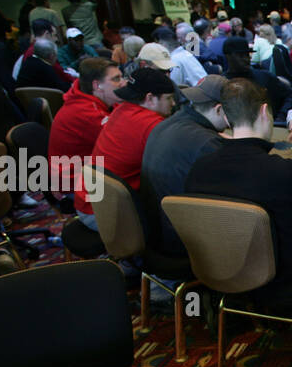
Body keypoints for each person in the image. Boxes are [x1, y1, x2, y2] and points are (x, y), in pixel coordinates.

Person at [183, 78, 292, 306]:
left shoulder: (199, 169)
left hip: (224, 265)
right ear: (265, 112)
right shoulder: (282, 171)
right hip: (288, 268)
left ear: (226, 118)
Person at [141, 73, 229, 255]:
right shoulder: (207, 145)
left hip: (156, 230)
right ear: (219, 110)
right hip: (183, 243)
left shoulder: (166, 124)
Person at [80, 68, 176, 228]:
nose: (173, 104)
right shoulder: (151, 125)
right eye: (169, 98)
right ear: (150, 98)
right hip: (103, 213)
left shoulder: (122, 110)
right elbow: (173, 168)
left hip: (89, 201)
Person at [49, 57, 124, 214]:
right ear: (97, 85)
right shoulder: (86, 113)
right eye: (116, 79)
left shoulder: (90, 96)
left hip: (88, 172)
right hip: (76, 186)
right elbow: (126, 144)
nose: (123, 83)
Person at [222, 36, 290, 120]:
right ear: (228, 57)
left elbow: (290, 95)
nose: (246, 59)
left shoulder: (265, 77)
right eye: (241, 55)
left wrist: (281, 116)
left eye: (247, 55)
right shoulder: (221, 83)